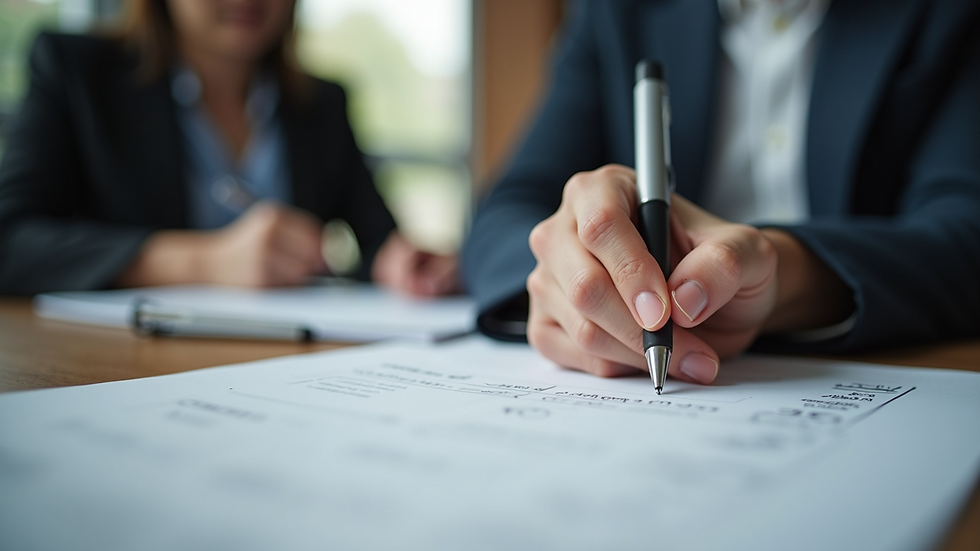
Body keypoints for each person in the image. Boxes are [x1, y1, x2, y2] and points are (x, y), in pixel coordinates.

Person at [461, 0, 980, 384]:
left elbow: (967, 231)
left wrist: (787, 275)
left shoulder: (947, 15)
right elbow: (505, 214)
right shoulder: (617, 13)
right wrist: (572, 270)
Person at [0, 0, 459, 297]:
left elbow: (376, 235)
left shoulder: (321, 104)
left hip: (291, 368)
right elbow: (11, 241)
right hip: (119, 364)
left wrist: (399, 263)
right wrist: (206, 260)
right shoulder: (78, 73)